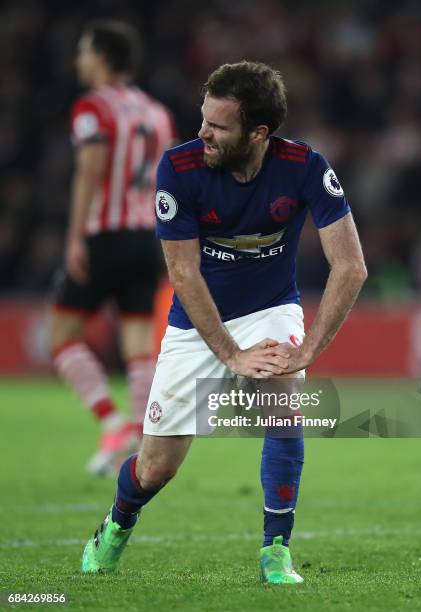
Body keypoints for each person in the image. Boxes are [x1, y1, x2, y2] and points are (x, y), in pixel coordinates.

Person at [80, 61, 367, 583]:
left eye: (218, 126)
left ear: (259, 133)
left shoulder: (304, 166)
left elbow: (351, 264)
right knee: (156, 469)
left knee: (284, 397)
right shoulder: (180, 168)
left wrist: (308, 351)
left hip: (271, 308)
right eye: (203, 119)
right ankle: (117, 523)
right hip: (197, 320)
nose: (203, 133)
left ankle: (275, 550)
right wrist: (231, 354)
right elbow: (183, 273)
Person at [50, 20, 176, 476]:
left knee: (62, 337)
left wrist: (75, 236)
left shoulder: (92, 108)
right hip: (147, 236)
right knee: (139, 344)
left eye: (84, 52)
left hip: (105, 232)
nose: (79, 61)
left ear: (101, 57)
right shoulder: (157, 112)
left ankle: (112, 423)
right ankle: (142, 439)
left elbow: (90, 171)